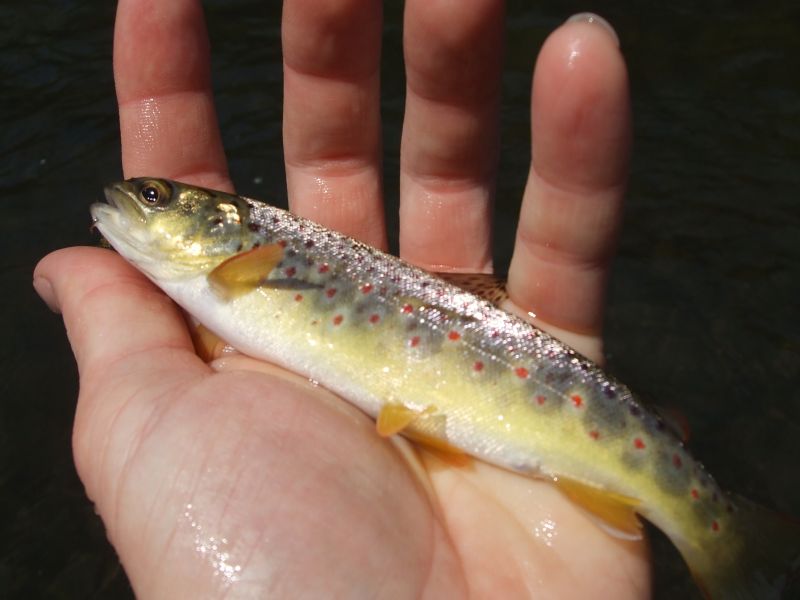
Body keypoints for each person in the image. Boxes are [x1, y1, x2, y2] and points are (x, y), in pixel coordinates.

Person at [34, 1, 647, 597]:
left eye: (154, 197)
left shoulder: (235, 268)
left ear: (224, 227)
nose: (134, 198)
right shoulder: (222, 273)